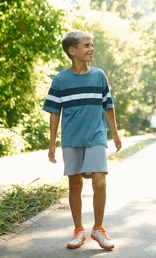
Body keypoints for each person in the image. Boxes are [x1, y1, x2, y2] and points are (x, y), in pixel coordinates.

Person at [43, 31, 122, 250]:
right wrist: (52, 143)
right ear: (72, 51)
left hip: (96, 136)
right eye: (86, 45)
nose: (91, 49)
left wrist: (114, 133)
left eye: (92, 45)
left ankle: (98, 228)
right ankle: (79, 229)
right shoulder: (60, 80)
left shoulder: (99, 76)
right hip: (71, 138)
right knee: (75, 185)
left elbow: (108, 105)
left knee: (100, 181)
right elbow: (54, 112)